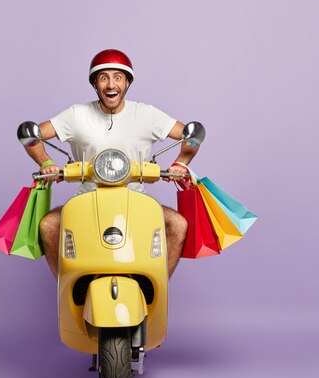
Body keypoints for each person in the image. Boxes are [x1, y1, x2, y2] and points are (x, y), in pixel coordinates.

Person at [23, 49, 200, 279]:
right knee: (48, 226)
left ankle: (155, 286)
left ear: (127, 83)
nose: (111, 84)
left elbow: (190, 136)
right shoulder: (77, 114)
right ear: (95, 84)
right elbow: (33, 137)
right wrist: (46, 162)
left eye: (118, 77)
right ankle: (68, 289)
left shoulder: (146, 114)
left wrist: (181, 164)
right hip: (86, 199)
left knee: (178, 224)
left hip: (136, 199)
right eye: (103, 77)